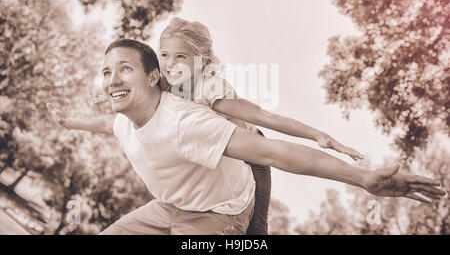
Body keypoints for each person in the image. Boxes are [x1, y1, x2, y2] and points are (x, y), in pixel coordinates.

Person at [48, 39, 445, 235]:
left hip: (222, 210)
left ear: (154, 78)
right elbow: (104, 124)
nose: (112, 79)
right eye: (105, 72)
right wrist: (67, 120)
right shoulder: (124, 121)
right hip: (168, 206)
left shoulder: (190, 120)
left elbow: (272, 147)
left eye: (123, 69)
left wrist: (358, 175)